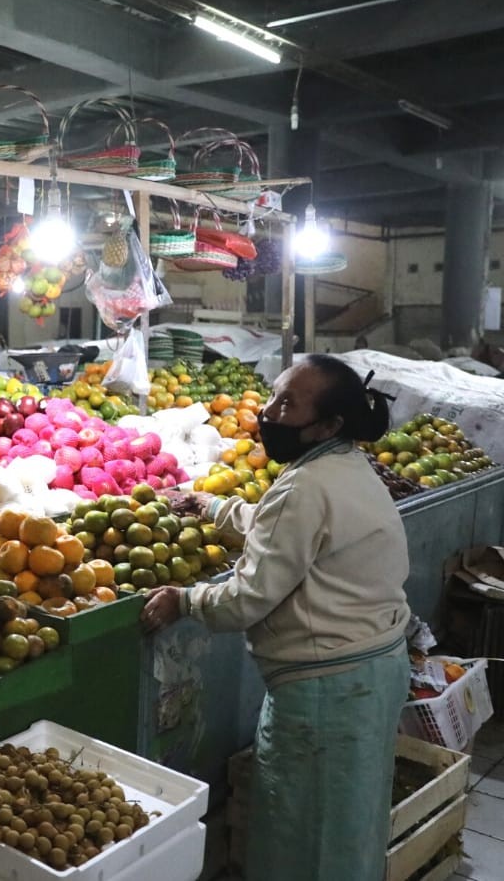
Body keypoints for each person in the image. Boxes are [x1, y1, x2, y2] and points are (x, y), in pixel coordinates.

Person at [140, 355, 411, 881]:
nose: (268, 412)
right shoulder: (343, 466)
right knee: (348, 822)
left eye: (288, 404)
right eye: (274, 394)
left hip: (327, 693)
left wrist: (185, 601)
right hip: (368, 677)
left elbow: (247, 598)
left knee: (302, 834)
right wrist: (213, 509)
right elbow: (284, 531)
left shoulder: (306, 486)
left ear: (328, 425)